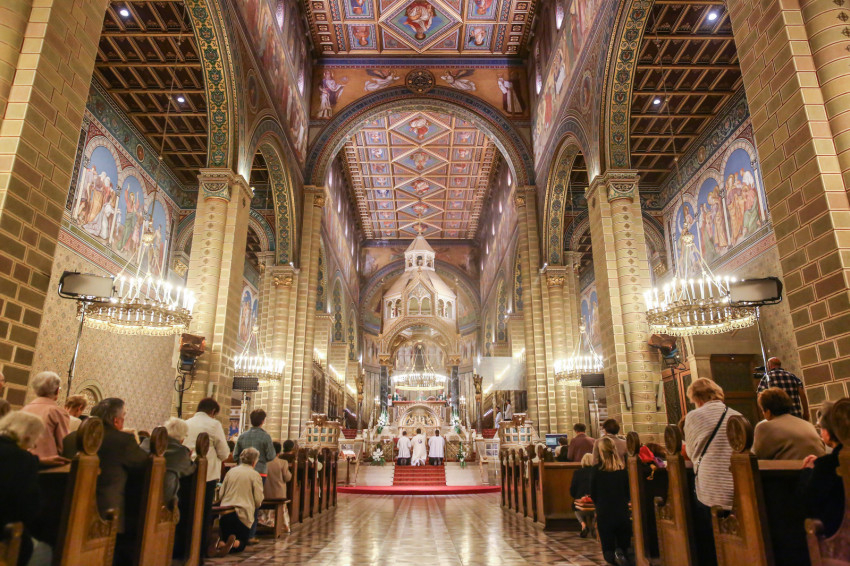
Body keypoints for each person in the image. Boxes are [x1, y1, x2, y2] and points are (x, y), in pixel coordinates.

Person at [64, 398, 149, 564]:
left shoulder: (71, 438)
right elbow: (145, 465)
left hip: (69, 510)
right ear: (116, 421)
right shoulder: (123, 441)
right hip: (106, 514)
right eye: (124, 417)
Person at [683, 378, 740, 566]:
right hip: (738, 483)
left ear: (697, 398)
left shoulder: (694, 416)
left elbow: (691, 452)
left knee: (709, 536)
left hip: (711, 483)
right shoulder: (736, 415)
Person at [0, 411, 50, 565]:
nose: (33, 446)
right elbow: (28, 507)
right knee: (43, 549)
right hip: (4, 529)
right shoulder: (22, 459)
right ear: (27, 436)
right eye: (34, 440)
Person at [184, 397, 231, 556]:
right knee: (204, 512)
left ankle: (186, 546)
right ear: (213, 411)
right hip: (207, 475)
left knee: (188, 509)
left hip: (187, 473)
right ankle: (202, 546)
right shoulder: (214, 424)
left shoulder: (187, 423)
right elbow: (224, 453)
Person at [798, 399, 847, 538]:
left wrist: (808, 470)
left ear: (829, 432)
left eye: (821, 428)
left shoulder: (827, 464)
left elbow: (807, 503)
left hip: (838, 537)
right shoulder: (827, 462)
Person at [233, 409, 275, 543]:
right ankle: (250, 535)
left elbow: (235, 455)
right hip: (259, 473)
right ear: (263, 421)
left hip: (241, 472)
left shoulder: (242, 436)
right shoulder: (265, 437)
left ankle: (238, 533)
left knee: (240, 500)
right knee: (255, 502)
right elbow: (271, 456)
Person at [590, 437, 632, 566]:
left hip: (604, 510)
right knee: (623, 541)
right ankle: (621, 553)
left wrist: (598, 504)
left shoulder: (596, 471)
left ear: (600, 452)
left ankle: (613, 557)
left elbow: (593, 493)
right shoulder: (623, 471)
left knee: (607, 545)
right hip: (621, 510)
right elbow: (628, 493)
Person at [752, 388, 824, 460]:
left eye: (762, 410)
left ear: (768, 411)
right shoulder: (807, 424)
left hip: (796, 467)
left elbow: (757, 458)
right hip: (821, 465)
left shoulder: (764, 427)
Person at [216, 447, 264, 554]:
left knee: (226, 536)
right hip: (242, 514)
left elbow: (221, 493)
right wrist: (256, 505)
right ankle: (234, 543)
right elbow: (258, 499)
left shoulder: (231, 471)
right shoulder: (255, 475)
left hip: (225, 512)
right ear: (254, 461)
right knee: (242, 543)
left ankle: (221, 544)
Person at [140, 417, 195, 502]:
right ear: (182, 438)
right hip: (164, 499)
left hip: (138, 492)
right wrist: (188, 459)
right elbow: (189, 470)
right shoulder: (181, 451)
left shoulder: (146, 442)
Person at [21, 371, 69, 459]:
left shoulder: (24, 409)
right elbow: (64, 445)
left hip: (25, 460)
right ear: (57, 390)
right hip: (48, 463)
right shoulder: (57, 412)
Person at [263, 441, 293, 534]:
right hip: (278, 495)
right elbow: (287, 478)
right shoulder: (283, 462)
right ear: (278, 452)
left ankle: (264, 524)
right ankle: (283, 526)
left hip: (264, 494)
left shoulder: (262, 462)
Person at [570, 453, 596, 538]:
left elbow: (572, 490)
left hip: (581, 505)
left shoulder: (577, 473)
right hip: (595, 503)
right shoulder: (597, 472)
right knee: (597, 508)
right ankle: (594, 524)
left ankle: (583, 525)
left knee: (575, 505)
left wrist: (576, 497)